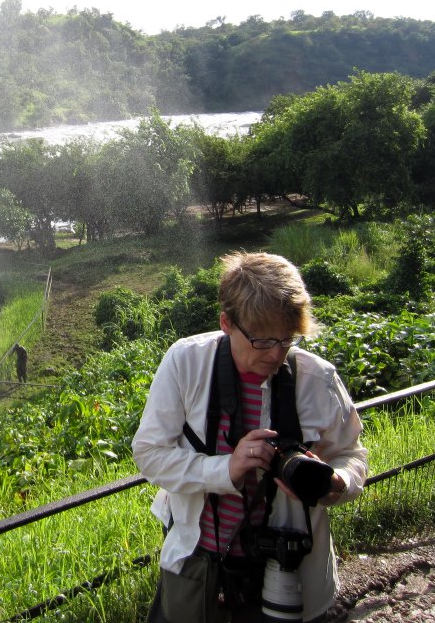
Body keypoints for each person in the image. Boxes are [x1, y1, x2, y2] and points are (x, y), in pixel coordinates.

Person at [132, 252, 368, 623]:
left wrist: (338, 482)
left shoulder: (316, 379)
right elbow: (149, 453)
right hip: (199, 559)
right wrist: (225, 469)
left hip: (290, 567)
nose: (276, 354)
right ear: (227, 322)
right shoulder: (187, 362)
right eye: (261, 341)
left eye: (287, 339)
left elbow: (352, 454)